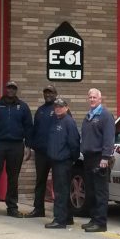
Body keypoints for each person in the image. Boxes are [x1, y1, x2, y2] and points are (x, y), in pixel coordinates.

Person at [0, 80, 33, 218]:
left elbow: (28, 127)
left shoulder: (23, 107)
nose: (10, 90)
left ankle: (12, 207)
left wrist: (28, 146)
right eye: (8, 88)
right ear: (5, 89)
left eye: (13, 88)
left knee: (13, 178)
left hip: (16, 145)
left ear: (16, 90)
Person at [80, 87, 115, 232]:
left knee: (100, 192)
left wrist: (105, 157)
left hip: (99, 158)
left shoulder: (105, 115)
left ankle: (101, 223)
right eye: (90, 97)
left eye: (95, 97)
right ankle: (94, 219)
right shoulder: (89, 116)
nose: (92, 99)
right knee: (91, 191)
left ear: (100, 99)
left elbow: (109, 137)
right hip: (88, 158)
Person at [44, 98, 80, 229]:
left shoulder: (68, 122)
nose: (58, 108)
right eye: (56, 106)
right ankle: (68, 218)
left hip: (63, 162)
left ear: (66, 107)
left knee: (60, 192)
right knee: (63, 190)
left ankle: (59, 220)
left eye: (61, 106)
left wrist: (72, 159)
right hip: (56, 161)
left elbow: (74, 143)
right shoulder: (56, 120)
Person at [28, 85, 59, 218]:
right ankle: (38, 209)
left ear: (55, 94)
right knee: (40, 181)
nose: (48, 95)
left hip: (55, 153)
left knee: (57, 182)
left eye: (50, 92)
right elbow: (35, 130)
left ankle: (59, 212)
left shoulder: (60, 109)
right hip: (41, 153)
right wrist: (31, 146)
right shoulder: (40, 110)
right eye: (45, 92)